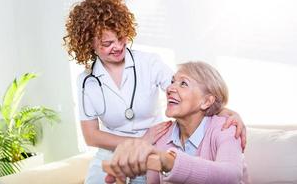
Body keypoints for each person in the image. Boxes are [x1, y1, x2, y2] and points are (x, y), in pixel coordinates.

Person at [63, 0, 246, 184]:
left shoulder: (149, 63)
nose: (117, 46)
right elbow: (91, 136)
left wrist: (229, 113)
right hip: (114, 153)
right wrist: (140, 141)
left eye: (121, 38)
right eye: (107, 43)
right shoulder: (87, 81)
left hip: (152, 149)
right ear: (89, 43)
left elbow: (186, 93)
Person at [106, 61, 249, 184]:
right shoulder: (162, 136)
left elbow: (231, 176)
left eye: (183, 83)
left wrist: (169, 162)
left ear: (206, 101)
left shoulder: (226, 127)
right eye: (173, 81)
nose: (170, 88)